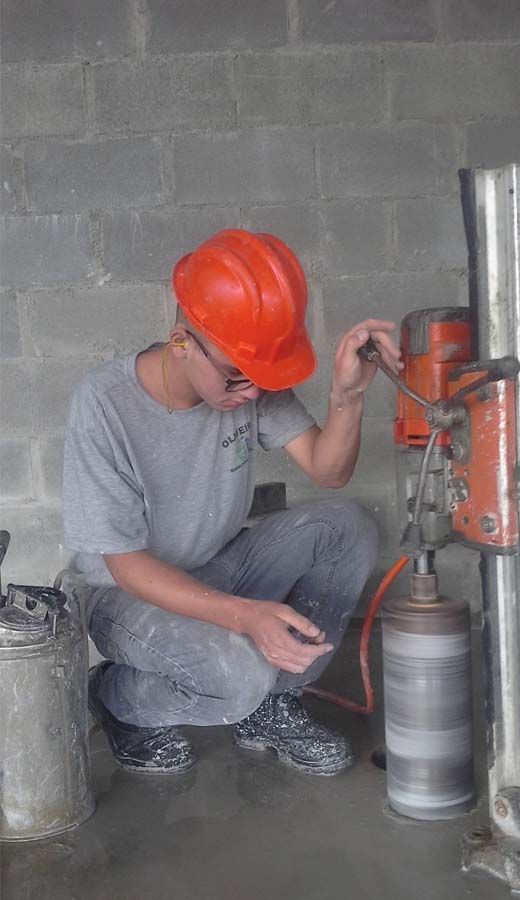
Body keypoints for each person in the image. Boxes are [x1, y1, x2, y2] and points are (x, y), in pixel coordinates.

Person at [62, 229, 401, 777]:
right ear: (181, 343)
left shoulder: (247, 379)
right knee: (236, 677)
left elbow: (329, 470)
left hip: (219, 564)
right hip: (123, 592)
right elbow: (125, 566)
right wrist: (246, 615)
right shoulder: (104, 405)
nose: (252, 394)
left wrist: (348, 395)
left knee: (347, 527)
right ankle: (118, 697)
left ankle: (269, 705)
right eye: (238, 376)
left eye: (260, 378)